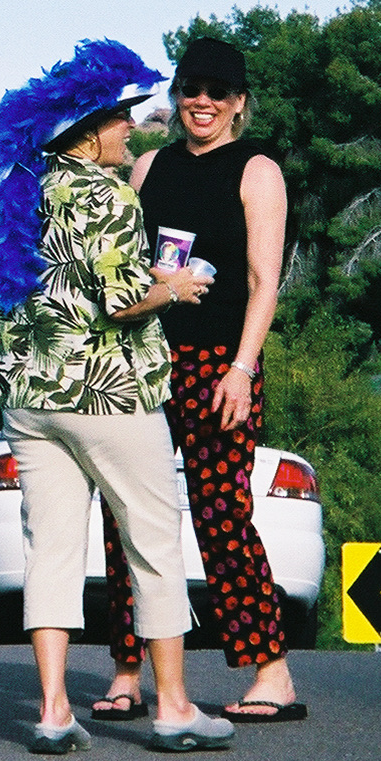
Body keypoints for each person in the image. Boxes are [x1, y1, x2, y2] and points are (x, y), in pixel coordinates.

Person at [0, 39, 233, 755]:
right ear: (90, 132)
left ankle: (55, 710)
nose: (133, 127)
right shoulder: (108, 193)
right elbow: (122, 301)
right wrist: (175, 286)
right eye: (121, 118)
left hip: (32, 397)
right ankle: (174, 706)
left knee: (51, 550)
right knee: (152, 540)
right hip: (110, 396)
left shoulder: (31, 187)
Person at [94, 36, 305, 724]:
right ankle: (127, 670)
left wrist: (243, 369)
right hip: (143, 363)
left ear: (239, 102)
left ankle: (270, 672)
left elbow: (262, 281)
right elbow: (124, 268)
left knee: (221, 517)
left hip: (220, 365)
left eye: (217, 91)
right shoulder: (149, 167)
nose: (202, 103)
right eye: (191, 89)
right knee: (126, 514)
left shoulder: (257, 169)